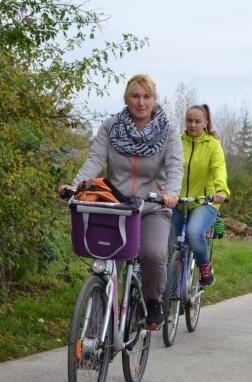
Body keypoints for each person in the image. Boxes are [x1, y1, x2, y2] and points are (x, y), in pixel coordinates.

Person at [59, 74, 182, 329]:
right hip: (116, 209)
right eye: (135, 96)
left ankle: (152, 299)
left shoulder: (168, 131)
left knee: (152, 253)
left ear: (154, 99)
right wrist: (76, 186)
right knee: (104, 268)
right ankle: (95, 337)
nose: (141, 102)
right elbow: (94, 160)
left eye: (146, 96)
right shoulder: (110, 126)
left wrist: (171, 193)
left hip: (151, 207)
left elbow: (174, 167)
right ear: (126, 98)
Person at [171, 104, 230, 287]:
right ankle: (169, 296)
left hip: (204, 202)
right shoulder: (176, 142)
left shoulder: (213, 145)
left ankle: (204, 265)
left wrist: (221, 191)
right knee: (171, 248)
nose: (193, 125)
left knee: (193, 233)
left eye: (197, 121)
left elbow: (219, 168)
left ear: (205, 122)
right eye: (189, 120)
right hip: (177, 202)